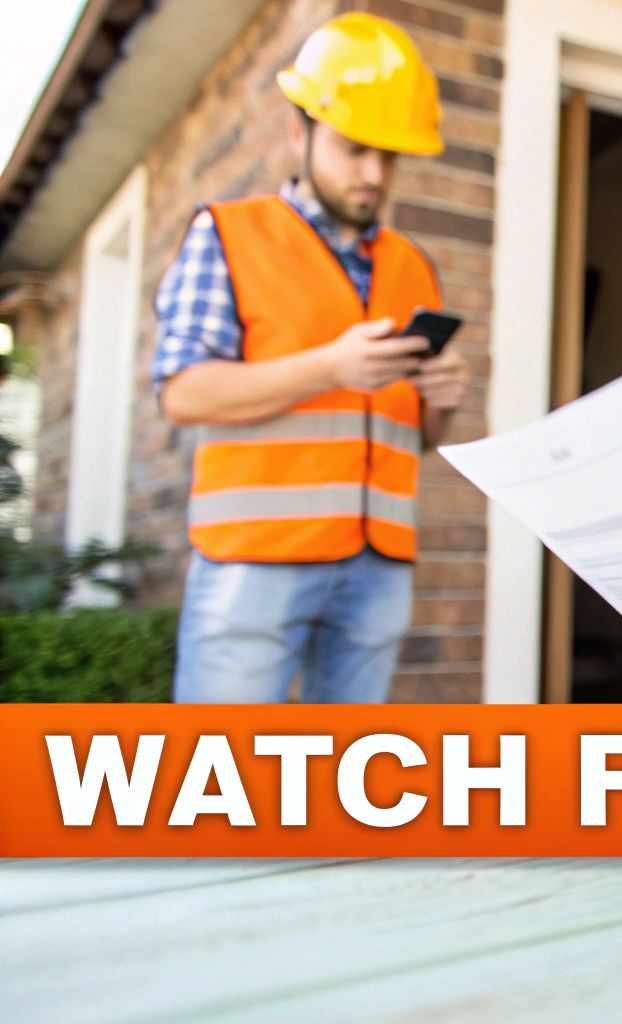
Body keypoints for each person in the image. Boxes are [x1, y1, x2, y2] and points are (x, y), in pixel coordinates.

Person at [156, 13, 469, 703]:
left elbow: (415, 437)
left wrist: (439, 402)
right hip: (256, 561)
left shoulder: (413, 267)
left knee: (345, 791)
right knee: (220, 782)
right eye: (355, 149)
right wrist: (328, 368)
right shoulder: (231, 235)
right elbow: (183, 392)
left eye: (389, 156)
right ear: (301, 131)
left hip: (378, 565)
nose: (374, 175)